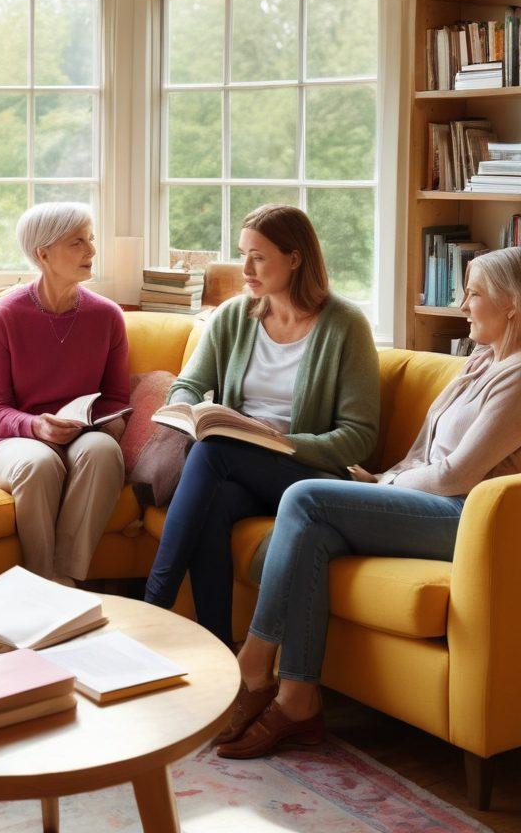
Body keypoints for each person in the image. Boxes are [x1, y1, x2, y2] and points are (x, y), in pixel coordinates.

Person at [217, 246, 521, 759]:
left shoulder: (516, 377)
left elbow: (457, 474)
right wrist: (383, 476)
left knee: (305, 496)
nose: (464, 304)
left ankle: (253, 659)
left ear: (513, 305)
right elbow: (425, 451)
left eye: (474, 294)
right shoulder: (480, 362)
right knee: (312, 531)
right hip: (435, 503)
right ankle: (297, 700)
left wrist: (384, 489)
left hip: (468, 521)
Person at [144, 204, 380, 645]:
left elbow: (359, 436)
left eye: (258, 256)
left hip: (303, 473)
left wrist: (279, 441)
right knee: (213, 493)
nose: (245, 268)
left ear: (295, 258)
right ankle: (216, 646)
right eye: (242, 254)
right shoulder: (234, 316)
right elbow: (189, 384)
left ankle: (153, 603)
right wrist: (187, 409)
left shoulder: (345, 325)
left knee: (213, 452)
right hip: (235, 470)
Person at [0, 201, 130, 583]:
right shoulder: (3, 316)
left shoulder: (107, 316)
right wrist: (38, 428)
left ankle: (67, 580)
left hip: (81, 433)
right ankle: (40, 580)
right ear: (43, 254)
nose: (92, 251)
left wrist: (107, 426)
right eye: (78, 242)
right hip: (12, 439)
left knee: (104, 451)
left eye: (90, 239)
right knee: (38, 464)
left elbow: (116, 398)